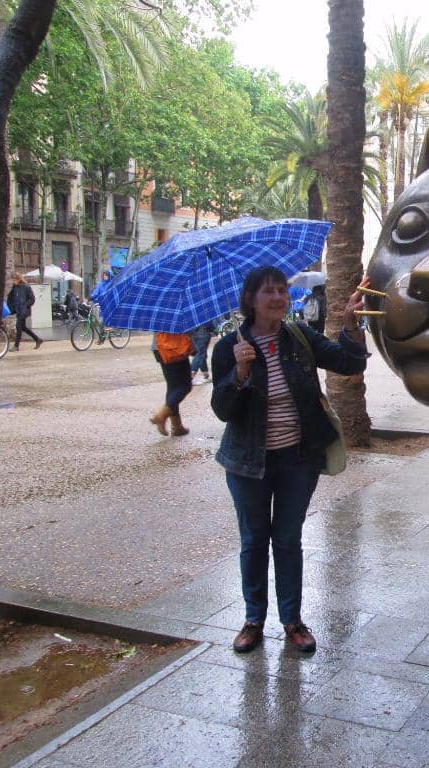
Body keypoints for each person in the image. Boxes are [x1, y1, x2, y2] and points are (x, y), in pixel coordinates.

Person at [211, 266, 370, 654]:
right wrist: (241, 371)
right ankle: (252, 620)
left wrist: (350, 324)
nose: (279, 297)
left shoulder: (299, 337)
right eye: (269, 292)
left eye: (282, 290)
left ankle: (292, 621)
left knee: (287, 539)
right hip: (247, 464)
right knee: (253, 541)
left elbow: (350, 363)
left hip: (297, 459)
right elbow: (223, 410)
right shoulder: (227, 347)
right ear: (251, 299)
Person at [149, 331, 194, 436]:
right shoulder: (177, 315)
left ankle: (176, 426)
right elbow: (187, 327)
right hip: (174, 347)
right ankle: (161, 415)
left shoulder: (160, 314)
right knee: (185, 386)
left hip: (159, 346)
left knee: (173, 386)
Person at [6, 273, 43, 351]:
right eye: (12, 279)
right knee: (23, 327)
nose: (13, 281)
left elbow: (32, 299)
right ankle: (37, 339)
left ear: (18, 279)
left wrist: (25, 305)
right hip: (19, 310)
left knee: (18, 327)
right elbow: (12, 299)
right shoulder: (14, 288)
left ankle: (16, 346)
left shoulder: (26, 287)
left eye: (14, 279)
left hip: (24, 311)